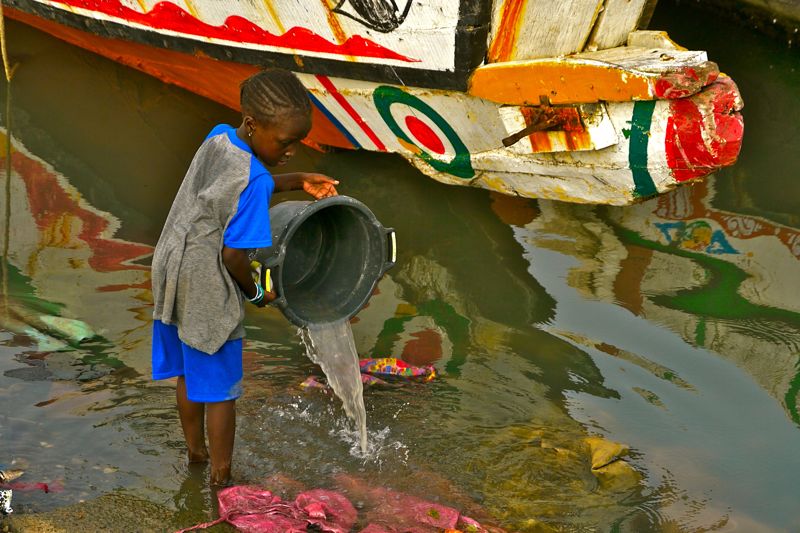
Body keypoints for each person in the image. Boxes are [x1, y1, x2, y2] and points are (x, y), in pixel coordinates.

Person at [150, 68, 338, 486]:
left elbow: (231, 185)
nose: (292, 150)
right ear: (254, 125)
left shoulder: (220, 136)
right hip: (206, 281)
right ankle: (222, 479)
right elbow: (235, 256)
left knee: (188, 368)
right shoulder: (255, 182)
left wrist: (296, 180)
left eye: (298, 142)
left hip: (172, 262)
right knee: (220, 391)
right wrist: (257, 293)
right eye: (287, 142)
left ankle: (196, 456)